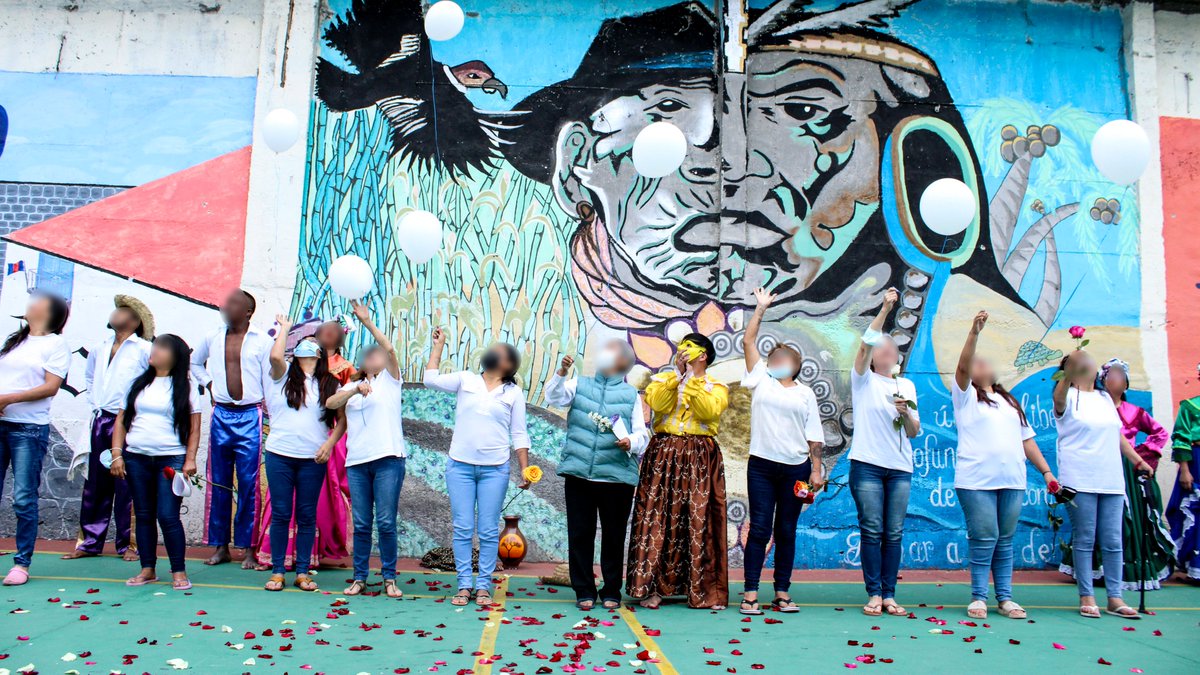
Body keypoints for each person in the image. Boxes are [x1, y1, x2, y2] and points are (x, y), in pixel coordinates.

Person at [952, 311, 1055, 620]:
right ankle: (979, 597)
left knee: (1005, 539)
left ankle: (1006, 598)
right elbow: (961, 364)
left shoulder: (1010, 403)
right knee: (984, 537)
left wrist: (1047, 473)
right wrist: (974, 331)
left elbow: (1028, 441)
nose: (982, 365)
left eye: (987, 362)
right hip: (976, 482)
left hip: (1012, 480)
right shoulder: (965, 397)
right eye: (977, 363)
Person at [424, 329, 531, 607]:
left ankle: (482, 585)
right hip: (459, 466)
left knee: (486, 530)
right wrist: (439, 346)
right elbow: (430, 380)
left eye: (499, 351)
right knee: (462, 528)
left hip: (495, 470)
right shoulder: (465, 379)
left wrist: (525, 469)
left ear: (508, 364)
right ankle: (463, 586)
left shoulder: (513, 393)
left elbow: (519, 434)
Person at [626, 332, 730, 610]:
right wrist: (678, 375)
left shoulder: (716, 386)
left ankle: (701, 589)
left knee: (698, 520)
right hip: (664, 453)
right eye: (680, 347)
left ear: (703, 355)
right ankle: (653, 588)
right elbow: (657, 404)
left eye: (689, 348)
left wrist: (694, 380)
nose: (682, 351)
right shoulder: (663, 379)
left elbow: (708, 411)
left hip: (699, 456)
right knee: (659, 519)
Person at [543, 340, 649, 611]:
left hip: (616, 478)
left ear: (624, 363)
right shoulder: (579, 384)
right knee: (580, 534)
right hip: (579, 475)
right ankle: (584, 590)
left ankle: (612, 589)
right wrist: (561, 372)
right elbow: (553, 397)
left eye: (613, 355)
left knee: (613, 536)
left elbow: (642, 434)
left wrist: (631, 443)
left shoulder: (630, 394)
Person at [738, 287, 825, 615]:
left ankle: (782, 592)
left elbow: (814, 435)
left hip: (796, 470)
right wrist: (760, 308)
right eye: (773, 358)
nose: (777, 361)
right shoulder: (761, 379)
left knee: (788, 529)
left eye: (784, 358)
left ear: (796, 364)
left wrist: (815, 469)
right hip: (761, 467)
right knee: (760, 528)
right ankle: (750, 593)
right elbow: (748, 342)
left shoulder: (805, 394)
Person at [1052, 349, 1152, 619]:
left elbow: (1117, 435)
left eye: (1089, 360)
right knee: (1085, 538)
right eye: (1080, 362)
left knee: (1113, 539)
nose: (1087, 364)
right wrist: (1070, 369)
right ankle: (1087, 595)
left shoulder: (1105, 398)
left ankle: (1115, 597)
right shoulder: (1067, 396)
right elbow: (1058, 398)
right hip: (1080, 478)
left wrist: (1136, 460)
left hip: (1110, 478)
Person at [252, 320, 354, 570]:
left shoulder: (331, 383)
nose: (308, 345)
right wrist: (284, 328)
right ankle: (277, 570)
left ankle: (302, 571)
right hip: (279, 455)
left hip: (313, 459)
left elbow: (341, 421)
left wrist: (329, 445)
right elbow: (276, 356)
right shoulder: (282, 375)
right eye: (304, 343)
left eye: (312, 344)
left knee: (307, 515)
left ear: (319, 354)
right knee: (281, 513)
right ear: (296, 352)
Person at [109, 334, 202, 591]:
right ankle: (147, 569)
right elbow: (121, 421)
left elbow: (194, 428)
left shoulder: (186, 386)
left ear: (175, 356)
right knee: (144, 514)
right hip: (136, 457)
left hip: (170, 458)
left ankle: (179, 571)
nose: (155, 351)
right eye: (155, 346)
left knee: (168, 515)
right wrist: (117, 454)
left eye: (161, 347)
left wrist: (190, 459)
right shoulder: (137, 384)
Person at [326, 301, 405, 598]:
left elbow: (391, 350)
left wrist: (368, 322)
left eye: (378, 354)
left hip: (388, 461)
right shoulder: (351, 387)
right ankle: (359, 578)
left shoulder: (391, 382)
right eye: (369, 354)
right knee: (361, 524)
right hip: (357, 463)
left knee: (385, 522)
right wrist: (353, 389)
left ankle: (389, 578)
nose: (374, 356)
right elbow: (331, 405)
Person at [64, 295, 152, 562]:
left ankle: (130, 544)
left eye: (123, 311)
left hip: (128, 421)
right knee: (95, 484)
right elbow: (90, 378)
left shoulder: (144, 349)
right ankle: (89, 541)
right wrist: (96, 402)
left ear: (134, 321)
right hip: (101, 419)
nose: (116, 313)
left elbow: (151, 380)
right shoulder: (101, 348)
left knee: (129, 484)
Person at [848, 287, 919, 617]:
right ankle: (874, 593)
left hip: (900, 467)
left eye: (892, 347)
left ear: (898, 357)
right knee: (872, 529)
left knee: (893, 532)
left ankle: (890, 594)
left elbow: (914, 431)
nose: (886, 350)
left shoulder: (906, 386)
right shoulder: (862, 381)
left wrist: (905, 412)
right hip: (868, 466)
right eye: (881, 347)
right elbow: (865, 343)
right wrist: (886, 307)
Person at [190, 289, 273, 567]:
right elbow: (193, 362)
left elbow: (269, 381)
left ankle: (249, 548)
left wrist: (271, 417)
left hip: (251, 415)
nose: (227, 306)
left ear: (248, 311)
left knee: (249, 484)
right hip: (222, 414)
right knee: (219, 482)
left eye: (234, 303)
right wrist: (210, 384)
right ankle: (220, 546)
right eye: (227, 302)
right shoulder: (212, 336)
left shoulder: (262, 340)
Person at [0, 292, 71, 586]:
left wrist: (8, 398)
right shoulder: (15, 342)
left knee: (24, 497)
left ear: (49, 312)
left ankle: (22, 562)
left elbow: (51, 387)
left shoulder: (56, 344)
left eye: (39, 299)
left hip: (27, 430)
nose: (32, 301)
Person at [1096, 358, 1175, 591]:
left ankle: (1130, 566)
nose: (1116, 380)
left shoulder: (1134, 412)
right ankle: (1100, 568)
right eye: (1111, 375)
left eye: (1121, 376)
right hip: (1101, 464)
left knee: (1129, 517)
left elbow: (1160, 433)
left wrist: (1142, 455)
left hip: (1126, 469)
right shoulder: (1096, 405)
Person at [1166, 380, 1200, 583]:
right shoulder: (1190, 406)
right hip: (1196, 463)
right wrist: (1185, 470)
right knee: (1195, 514)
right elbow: (1180, 439)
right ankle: (1194, 567)